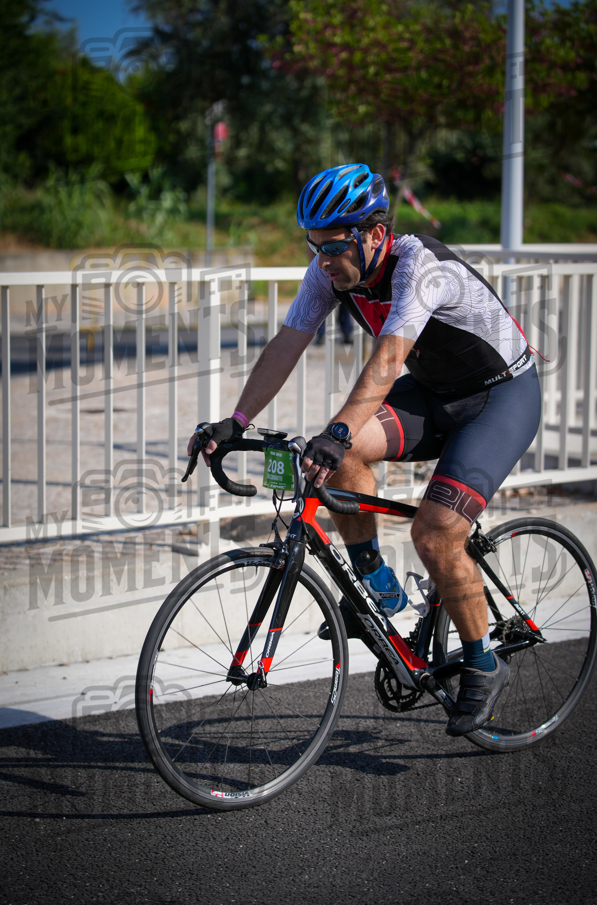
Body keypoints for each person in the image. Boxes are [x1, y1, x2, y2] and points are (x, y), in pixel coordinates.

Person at [188, 163, 541, 737]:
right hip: (435, 393)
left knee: (434, 533)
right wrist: (236, 420)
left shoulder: (421, 268)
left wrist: (340, 429)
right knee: (339, 457)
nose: (323, 259)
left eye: (334, 245)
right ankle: (375, 585)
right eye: (315, 245)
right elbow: (288, 342)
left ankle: (482, 662)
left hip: (500, 397)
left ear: (375, 234)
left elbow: (387, 359)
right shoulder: (328, 273)